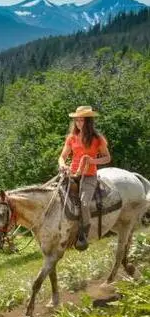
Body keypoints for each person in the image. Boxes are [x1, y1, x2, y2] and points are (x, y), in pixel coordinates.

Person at [58, 106, 111, 251]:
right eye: (77, 120)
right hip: (72, 173)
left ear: (88, 122)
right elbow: (62, 157)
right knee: (56, 197)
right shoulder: (71, 138)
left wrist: (91, 161)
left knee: (84, 203)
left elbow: (107, 158)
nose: (79, 123)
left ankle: (84, 232)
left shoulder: (97, 139)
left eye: (82, 120)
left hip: (89, 175)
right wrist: (63, 165)